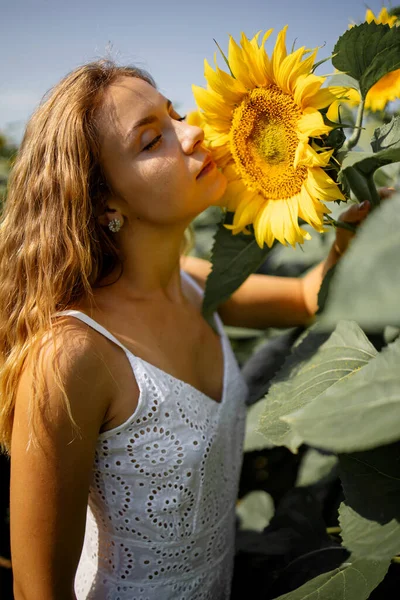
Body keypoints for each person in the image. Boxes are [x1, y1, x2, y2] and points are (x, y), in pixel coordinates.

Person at [0, 60, 372, 600]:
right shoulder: (72, 353)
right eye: (153, 140)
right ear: (104, 198)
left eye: (174, 114)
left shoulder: (198, 283)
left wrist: (362, 222)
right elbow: (38, 593)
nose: (194, 131)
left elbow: (305, 296)